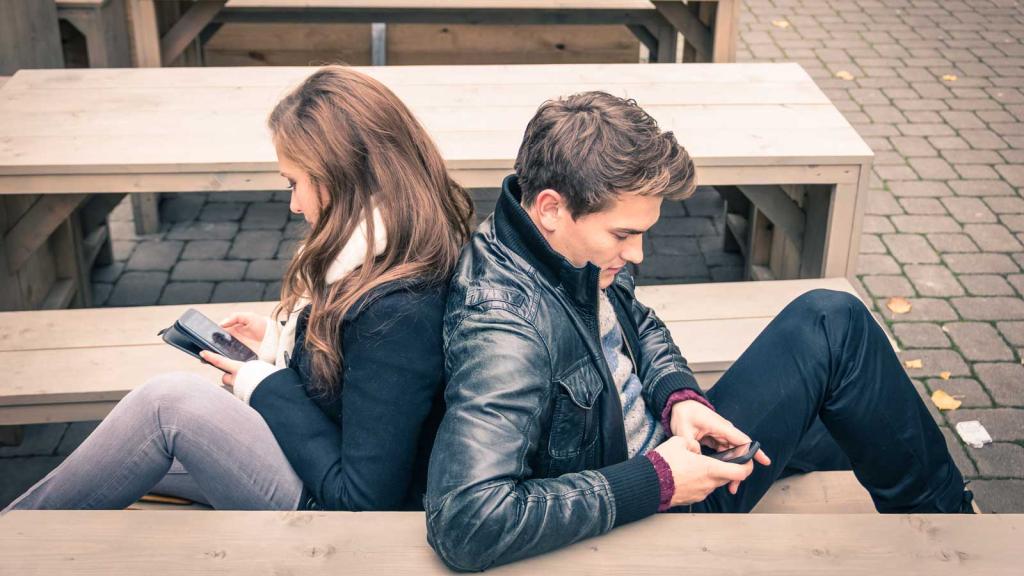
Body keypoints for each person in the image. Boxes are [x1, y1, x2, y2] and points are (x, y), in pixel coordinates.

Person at [424, 91, 972, 572]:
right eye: (624, 233)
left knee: (863, 414)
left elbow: (638, 325)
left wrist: (678, 398)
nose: (637, 253)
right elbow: (466, 522)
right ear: (550, 207)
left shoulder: (564, 249)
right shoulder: (502, 326)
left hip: (672, 452)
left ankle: (945, 531)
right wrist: (657, 479)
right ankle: (959, 537)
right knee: (834, 324)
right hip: (655, 508)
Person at [4, 65, 473, 513]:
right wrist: (280, 342)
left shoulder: (398, 311)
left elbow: (363, 500)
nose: (293, 205)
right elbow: (363, 385)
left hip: (336, 516)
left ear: (341, 181)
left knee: (168, 407)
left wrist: (265, 386)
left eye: (295, 183)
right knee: (125, 449)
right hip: (320, 467)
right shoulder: (390, 253)